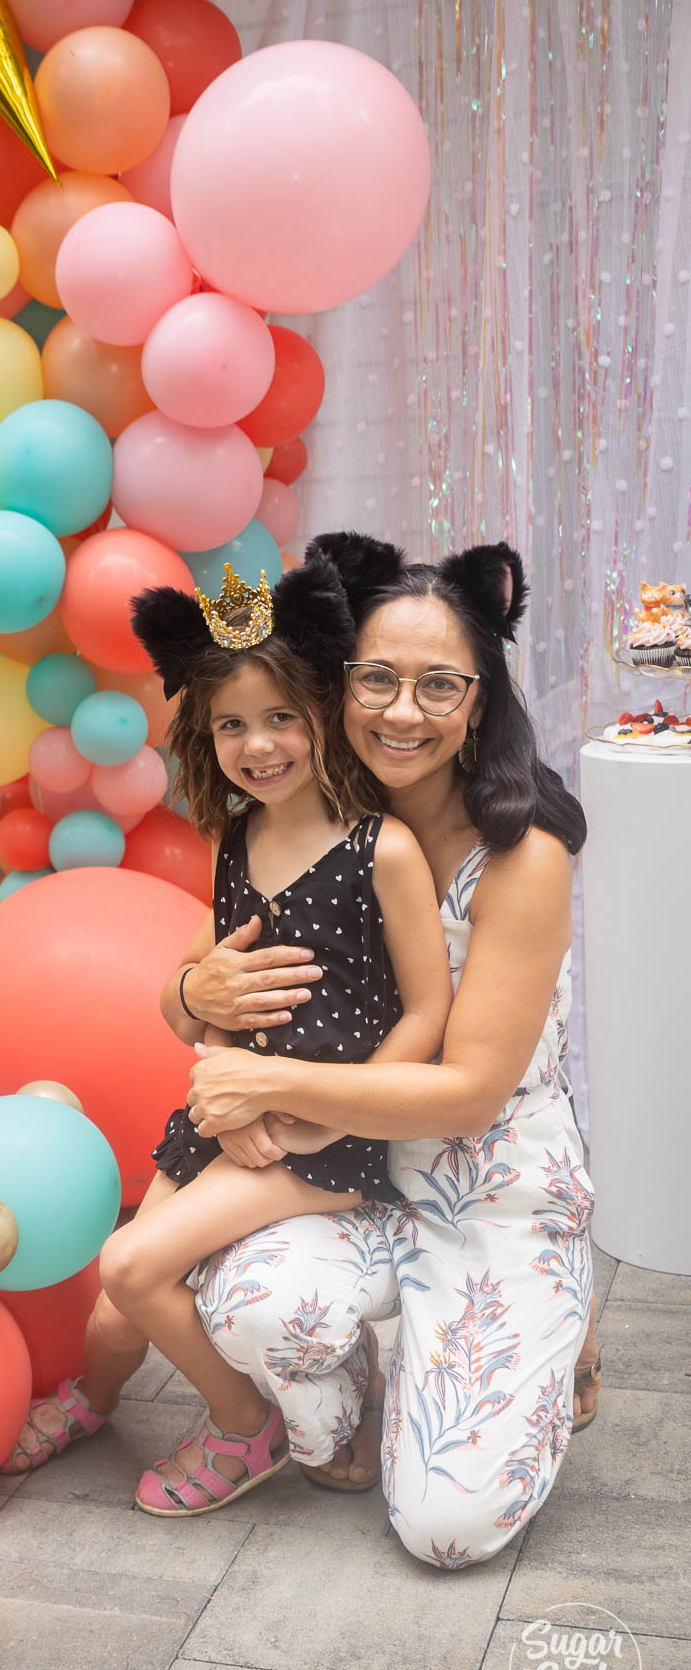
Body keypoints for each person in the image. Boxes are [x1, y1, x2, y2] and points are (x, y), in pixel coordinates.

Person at [2, 551, 453, 1516]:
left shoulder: (387, 850)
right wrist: (206, 1040)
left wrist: (319, 1118)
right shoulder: (238, 840)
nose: (260, 744)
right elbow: (201, 998)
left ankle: (246, 1427)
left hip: (324, 1141)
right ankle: (96, 1398)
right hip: (230, 1112)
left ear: (326, 713)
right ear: (205, 737)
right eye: (232, 724)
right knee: (116, 1309)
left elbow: (426, 1014)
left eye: (282, 716)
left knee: (130, 1260)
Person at [184, 532, 599, 1567]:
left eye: (437, 685)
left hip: (484, 1191)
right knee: (243, 1304)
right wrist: (190, 990)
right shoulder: (310, 816)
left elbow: (465, 1095)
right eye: (376, 680)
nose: (402, 713)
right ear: (337, 688)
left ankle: (547, 1324)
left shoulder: (522, 857)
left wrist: (270, 1081)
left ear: (479, 698)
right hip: (353, 1178)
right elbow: (206, 982)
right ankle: (375, 1379)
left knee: (445, 1533)